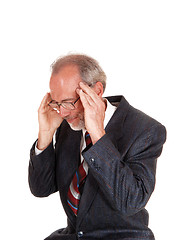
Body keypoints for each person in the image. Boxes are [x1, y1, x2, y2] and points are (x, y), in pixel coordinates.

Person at [28, 54, 166, 240]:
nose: (62, 112)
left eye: (69, 102)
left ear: (97, 90)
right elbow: (41, 188)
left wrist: (98, 135)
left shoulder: (145, 130)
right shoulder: (68, 125)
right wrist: (45, 135)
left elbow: (130, 201)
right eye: (57, 103)